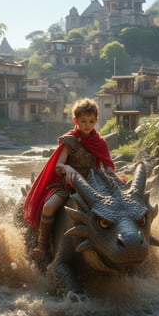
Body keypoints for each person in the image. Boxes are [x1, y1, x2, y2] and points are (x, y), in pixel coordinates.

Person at [23, 97, 115, 257]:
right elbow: (58, 166)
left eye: (91, 121)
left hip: (94, 184)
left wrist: (111, 174)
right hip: (68, 185)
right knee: (48, 207)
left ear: (96, 121)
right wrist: (67, 167)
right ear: (75, 120)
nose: (87, 125)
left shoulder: (99, 142)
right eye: (84, 121)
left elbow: (107, 165)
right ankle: (42, 245)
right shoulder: (70, 141)